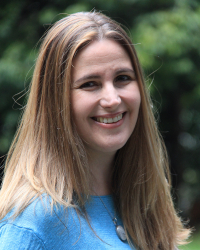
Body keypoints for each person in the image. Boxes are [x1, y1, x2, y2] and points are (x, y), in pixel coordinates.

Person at [0, 11, 190, 250]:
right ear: (54, 102)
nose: (112, 99)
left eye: (122, 78)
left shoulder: (145, 202)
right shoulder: (34, 222)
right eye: (90, 84)